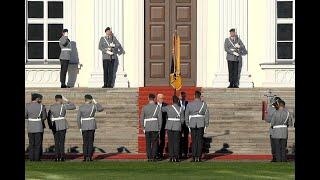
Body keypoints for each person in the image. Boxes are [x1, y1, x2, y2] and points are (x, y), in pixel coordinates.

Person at [47, 95, 76, 162]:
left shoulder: (52, 107)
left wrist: (50, 126)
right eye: (62, 99)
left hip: (55, 124)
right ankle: (62, 157)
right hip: (62, 124)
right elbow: (73, 106)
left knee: (56, 142)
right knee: (62, 142)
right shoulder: (63, 106)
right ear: (60, 99)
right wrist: (67, 100)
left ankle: (57, 157)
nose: (62, 100)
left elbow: (49, 117)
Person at [77, 95, 104, 161]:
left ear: (85, 99)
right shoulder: (93, 106)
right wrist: (95, 102)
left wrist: (80, 127)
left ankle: (85, 157)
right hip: (91, 125)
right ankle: (89, 157)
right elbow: (101, 109)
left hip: (84, 125)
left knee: (85, 142)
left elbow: (78, 118)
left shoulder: (81, 107)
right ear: (90, 99)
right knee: (90, 142)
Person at [185, 91, 209, 162]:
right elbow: (207, 114)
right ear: (200, 96)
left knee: (194, 140)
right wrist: (206, 124)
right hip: (201, 123)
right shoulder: (204, 104)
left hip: (192, 123)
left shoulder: (189, 104)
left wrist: (187, 123)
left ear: (194, 96)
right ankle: (198, 157)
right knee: (200, 141)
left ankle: (194, 156)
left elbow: (186, 114)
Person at [162, 95, 184, 162]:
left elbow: (161, 109)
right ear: (177, 101)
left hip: (169, 126)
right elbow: (182, 120)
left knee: (170, 142)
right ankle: (176, 157)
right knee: (177, 142)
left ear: (172, 101)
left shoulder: (168, 107)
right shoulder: (181, 109)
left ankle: (171, 157)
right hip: (177, 126)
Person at [140, 94, 162, 162]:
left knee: (148, 143)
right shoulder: (157, 107)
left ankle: (149, 157)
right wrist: (159, 128)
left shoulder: (144, 107)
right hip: (155, 127)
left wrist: (143, 127)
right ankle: (154, 156)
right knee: (155, 143)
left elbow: (141, 118)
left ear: (148, 98)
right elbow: (160, 119)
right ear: (154, 99)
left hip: (147, 127)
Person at [25, 93, 47, 161]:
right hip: (38, 126)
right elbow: (44, 117)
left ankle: (31, 158)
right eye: (40, 98)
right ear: (37, 99)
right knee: (38, 143)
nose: (40, 100)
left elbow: (25, 115)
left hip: (30, 126)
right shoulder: (41, 106)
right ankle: (37, 158)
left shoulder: (27, 106)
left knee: (31, 143)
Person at [157, 93, 167, 160]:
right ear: (157, 99)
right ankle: (156, 153)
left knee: (162, 140)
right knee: (156, 140)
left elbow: (167, 116)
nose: (162, 100)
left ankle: (161, 153)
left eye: (163, 98)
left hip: (163, 125)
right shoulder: (154, 105)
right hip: (155, 125)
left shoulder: (166, 105)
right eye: (160, 98)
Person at [179, 91, 189, 158]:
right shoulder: (176, 103)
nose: (182, 97)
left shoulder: (188, 103)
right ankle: (179, 153)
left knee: (186, 138)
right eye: (181, 96)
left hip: (186, 124)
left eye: (183, 96)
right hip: (179, 123)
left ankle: (185, 153)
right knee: (178, 138)